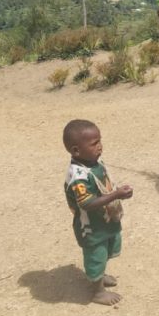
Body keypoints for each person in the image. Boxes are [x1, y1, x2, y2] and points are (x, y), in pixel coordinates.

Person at [63, 119, 133, 306]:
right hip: (91, 227)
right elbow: (87, 203)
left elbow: (104, 185)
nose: (100, 146)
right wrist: (116, 194)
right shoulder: (79, 176)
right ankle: (98, 291)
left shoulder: (93, 163)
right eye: (94, 144)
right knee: (96, 254)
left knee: (108, 248)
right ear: (76, 151)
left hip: (105, 220)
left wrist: (118, 192)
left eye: (100, 141)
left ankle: (99, 275)